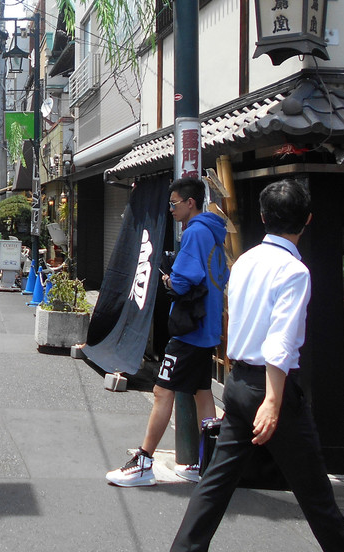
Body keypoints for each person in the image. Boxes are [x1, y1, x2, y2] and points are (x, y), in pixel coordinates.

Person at [169, 179, 344, 552]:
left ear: (262, 216)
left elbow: (238, 321)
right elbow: (281, 339)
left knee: (215, 484)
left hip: (239, 382)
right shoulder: (294, 270)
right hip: (270, 389)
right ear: (307, 220)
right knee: (316, 495)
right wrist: (273, 401)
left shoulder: (244, 261)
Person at [106, 177, 229, 487]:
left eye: (174, 204)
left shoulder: (195, 232)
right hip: (207, 327)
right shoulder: (214, 232)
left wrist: (168, 280)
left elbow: (184, 281)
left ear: (190, 203)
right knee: (202, 393)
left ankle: (144, 462)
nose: (171, 209)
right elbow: (221, 274)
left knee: (162, 391)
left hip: (189, 330)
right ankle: (208, 464)